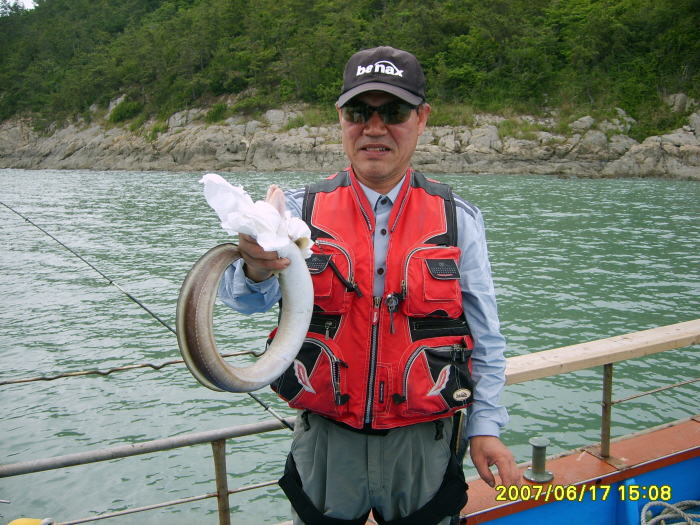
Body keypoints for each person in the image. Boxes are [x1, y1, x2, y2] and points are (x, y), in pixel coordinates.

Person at [218, 46, 520, 525]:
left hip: (425, 443)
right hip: (325, 438)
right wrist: (256, 266)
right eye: (359, 112)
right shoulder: (294, 215)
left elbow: (486, 338)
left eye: (394, 112)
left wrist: (485, 425)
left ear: (422, 118)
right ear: (341, 119)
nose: (374, 128)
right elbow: (244, 300)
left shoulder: (459, 220)